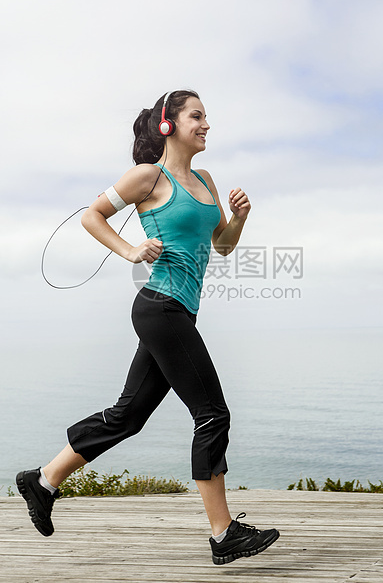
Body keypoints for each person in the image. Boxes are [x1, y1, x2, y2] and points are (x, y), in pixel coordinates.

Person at [16, 90, 280, 565]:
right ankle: (224, 535)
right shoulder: (147, 177)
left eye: (206, 117)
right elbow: (91, 215)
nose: (206, 124)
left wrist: (240, 218)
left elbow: (221, 245)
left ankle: (42, 480)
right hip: (160, 307)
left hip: (178, 312)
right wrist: (131, 251)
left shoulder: (205, 180)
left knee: (128, 416)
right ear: (168, 124)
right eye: (196, 116)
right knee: (212, 414)